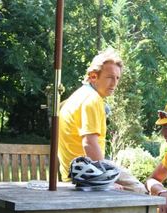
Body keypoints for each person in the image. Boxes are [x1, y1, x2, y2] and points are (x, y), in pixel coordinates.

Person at [58, 47, 146, 193]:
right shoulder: (92, 100)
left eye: (117, 78)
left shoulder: (78, 96)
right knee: (140, 192)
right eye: (110, 77)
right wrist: (106, 180)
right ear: (93, 76)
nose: (114, 83)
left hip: (77, 172)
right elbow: (89, 144)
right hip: (86, 175)